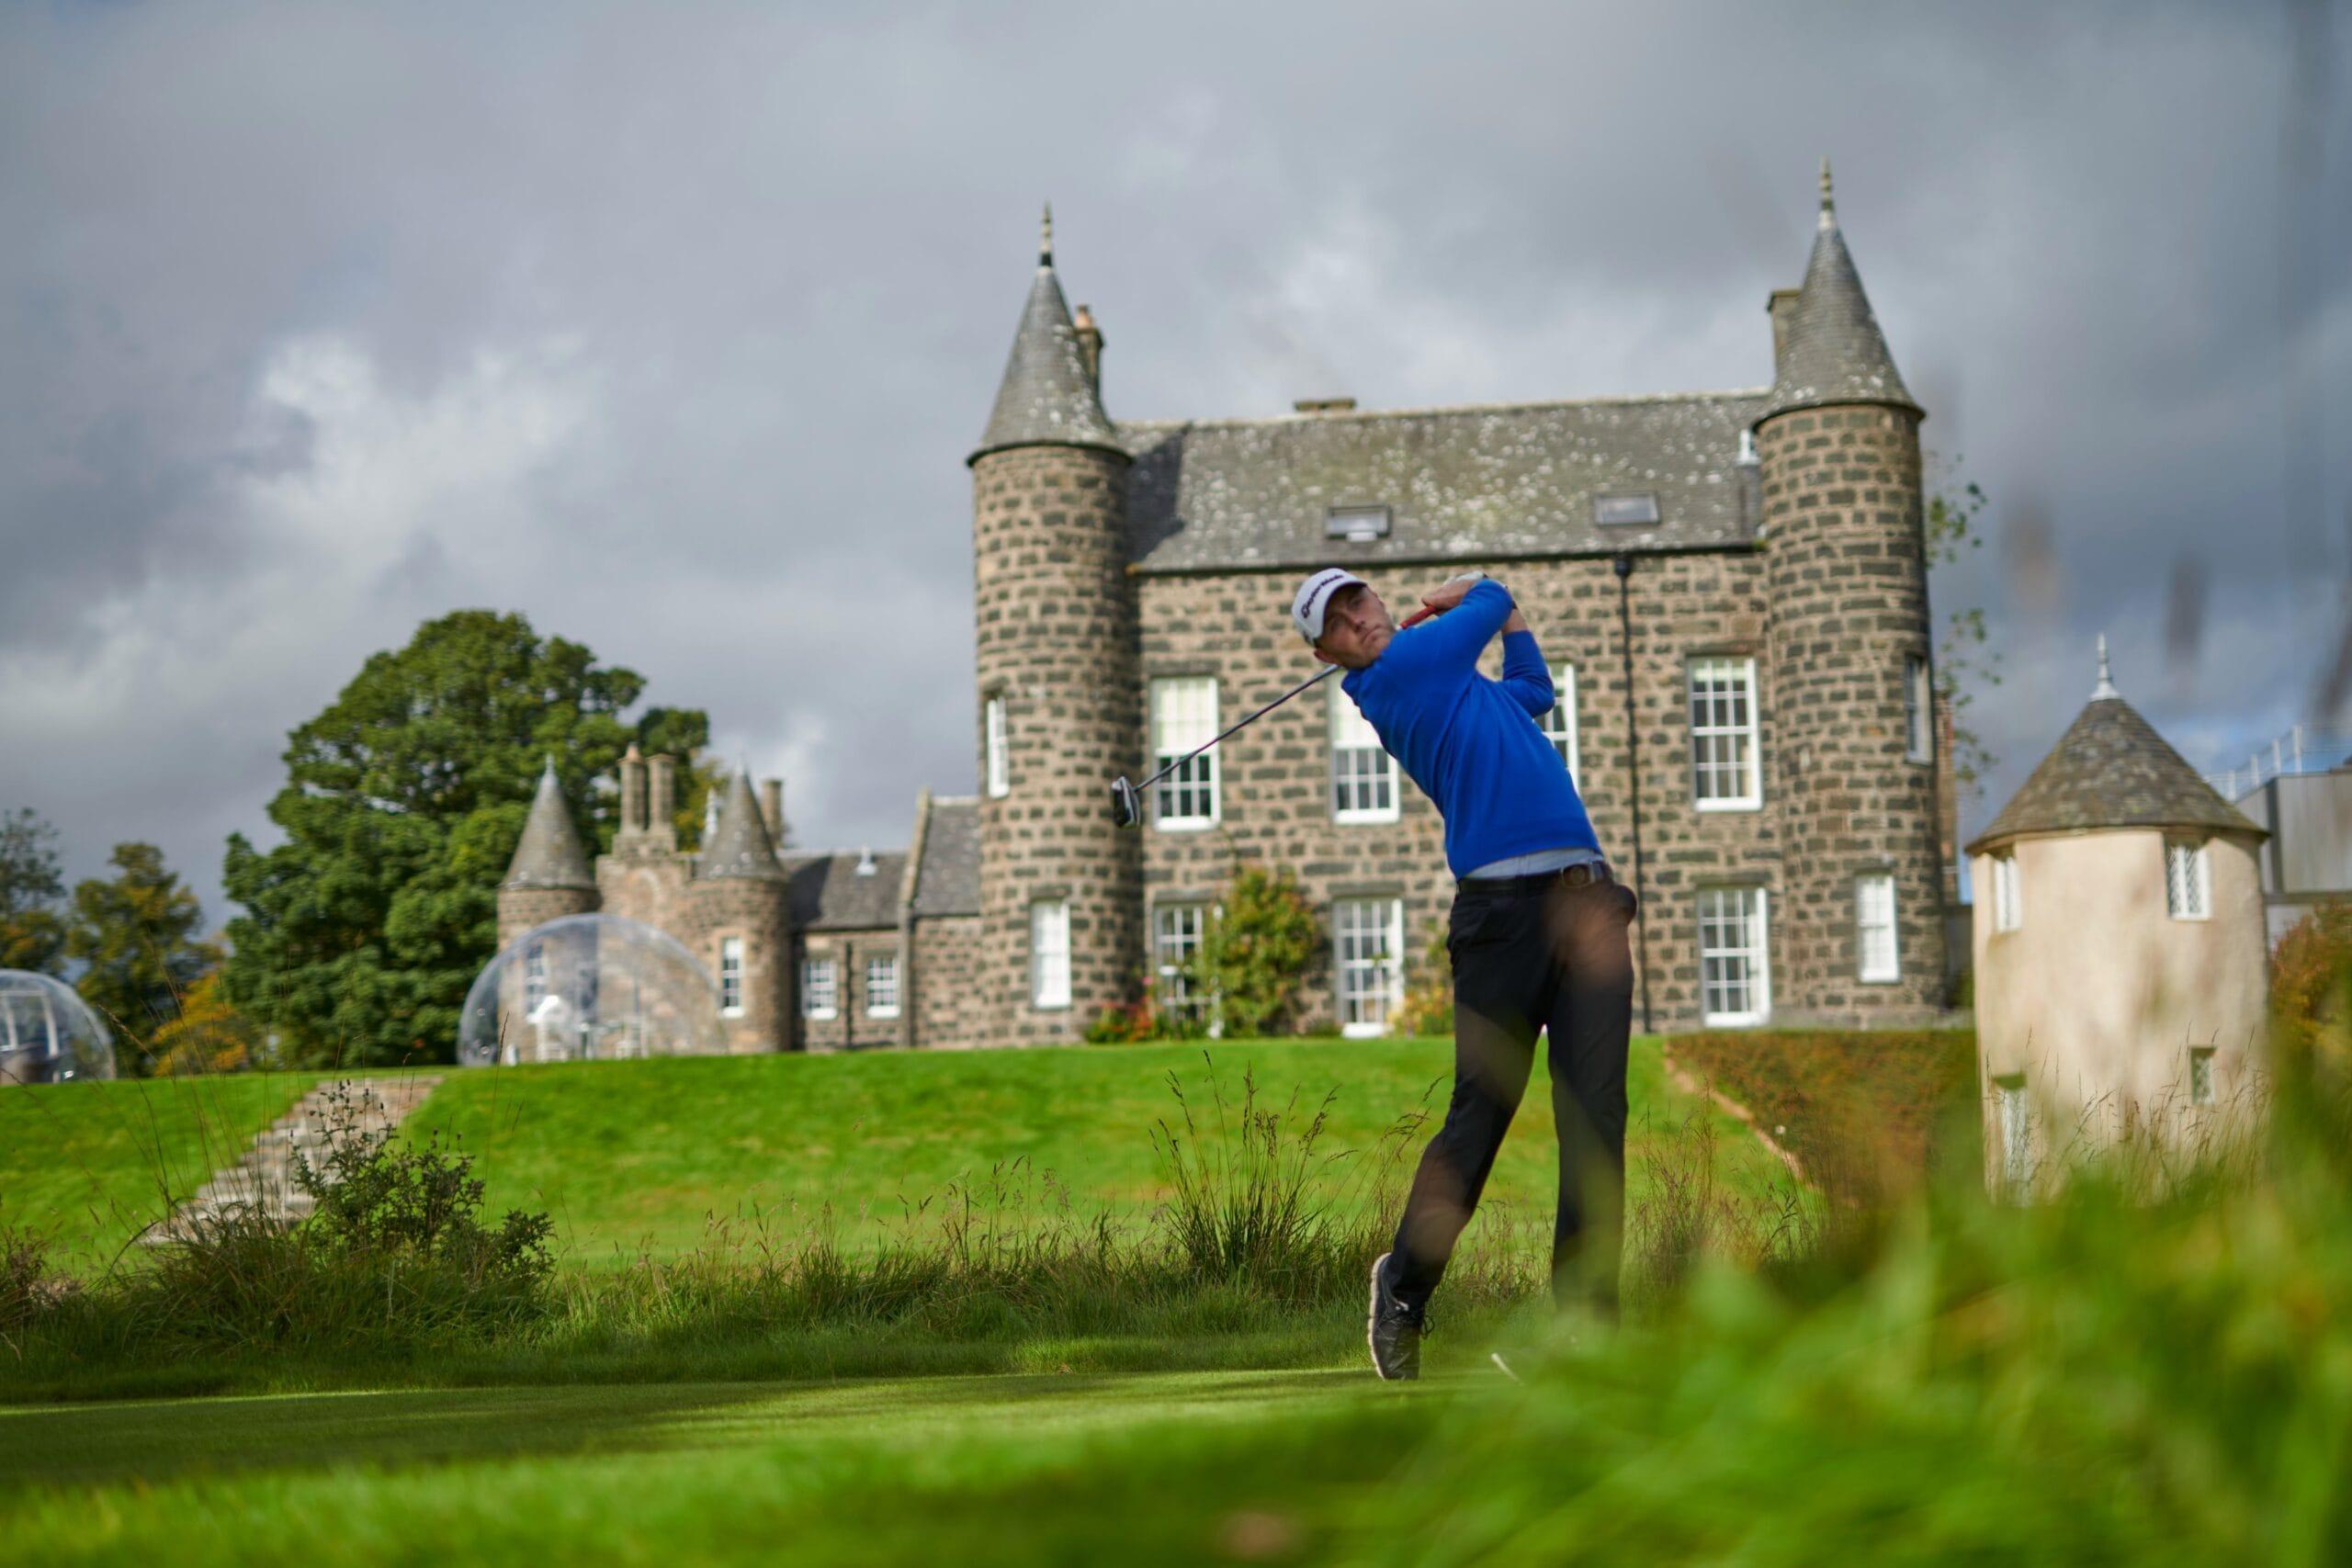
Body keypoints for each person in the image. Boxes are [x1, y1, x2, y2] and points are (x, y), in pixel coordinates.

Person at [1291, 566, 1636, 1381]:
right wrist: (1479, 591)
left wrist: (1512, 617)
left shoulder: (1452, 683)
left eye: (1360, 603)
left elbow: (1533, 691)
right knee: (1483, 1113)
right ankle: (1403, 1289)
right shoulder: (1400, 674)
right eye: (1339, 624)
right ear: (1327, 653)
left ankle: (1587, 1325)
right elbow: (1486, 599)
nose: (1360, 623)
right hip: (1501, 916)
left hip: (1586, 899)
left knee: (1597, 1114)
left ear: (1377, 600)